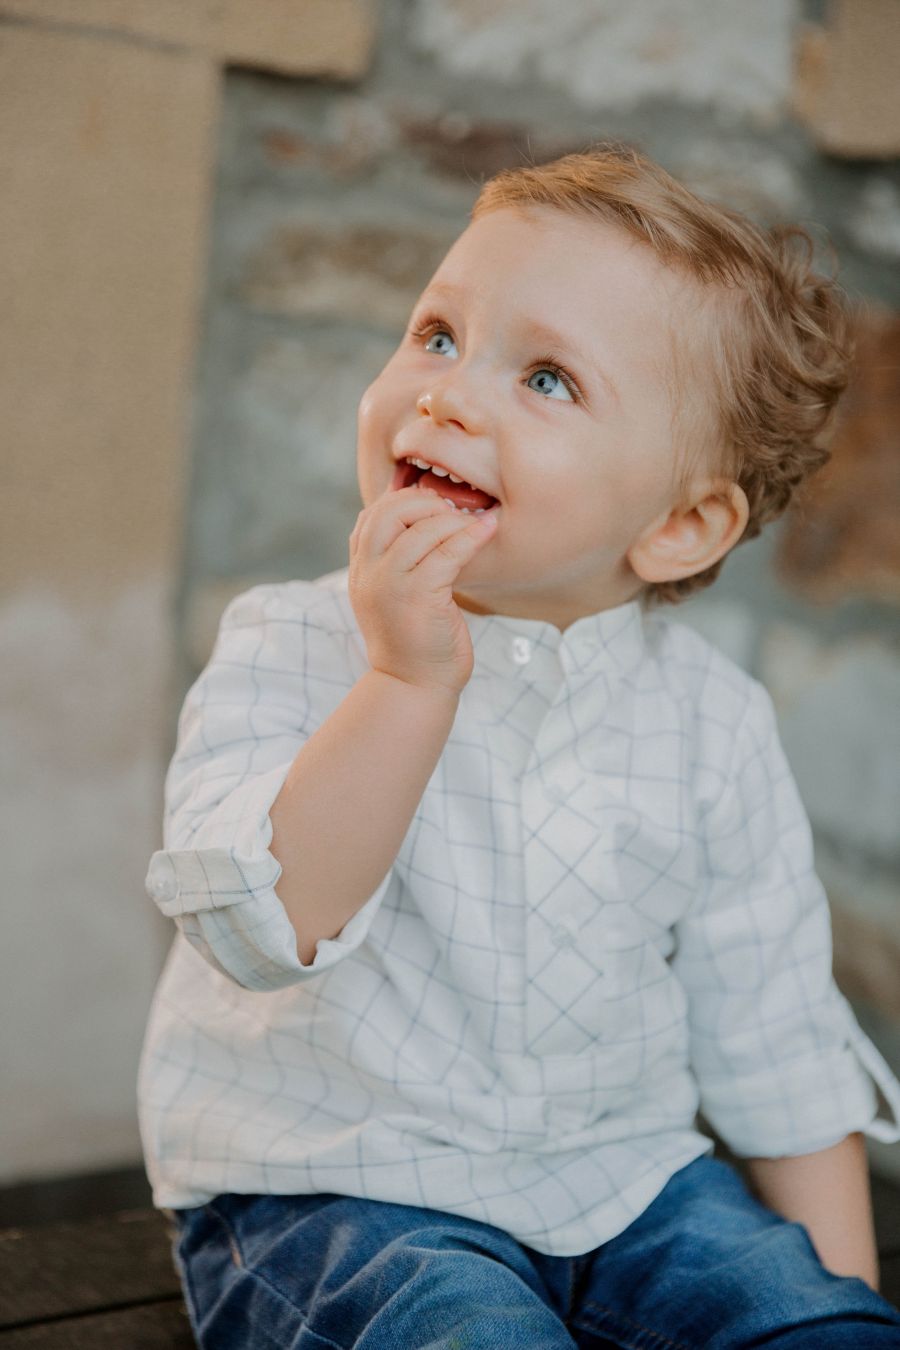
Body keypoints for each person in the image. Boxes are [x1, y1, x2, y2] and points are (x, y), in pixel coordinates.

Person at [139, 143, 900, 1347]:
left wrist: (843, 1304)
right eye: (438, 335)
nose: (446, 395)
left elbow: (777, 1036)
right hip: (334, 1189)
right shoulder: (290, 644)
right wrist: (405, 680)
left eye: (548, 378)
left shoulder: (712, 725)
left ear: (681, 524)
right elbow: (259, 928)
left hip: (624, 1185)